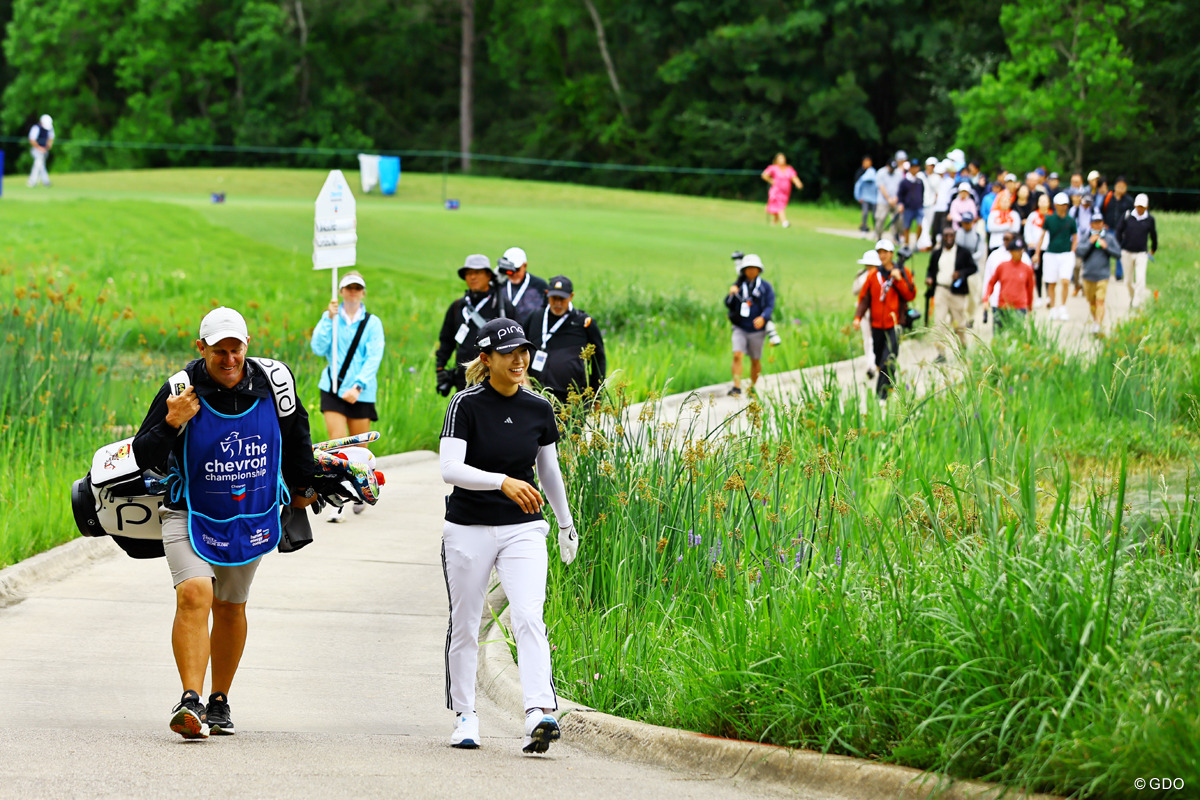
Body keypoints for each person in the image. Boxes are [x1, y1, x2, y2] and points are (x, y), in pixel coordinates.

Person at [131, 307, 320, 739]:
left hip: (248, 514)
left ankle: (219, 700)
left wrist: (304, 486)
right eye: (219, 351)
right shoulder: (180, 388)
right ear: (202, 349)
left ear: (246, 346)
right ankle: (190, 701)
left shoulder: (275, 383)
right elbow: (143, 454)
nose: (229, 359)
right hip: (188, 512)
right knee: (195, 593)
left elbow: (296, 438)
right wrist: (170, 421)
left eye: (235, 349)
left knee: (231, 606)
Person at [438, 317, 578, 754]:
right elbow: (450, 469)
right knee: (465, 625)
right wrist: (502, 481)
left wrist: (566, 523)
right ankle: (465, 715)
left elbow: (549, 470)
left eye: (524, 351)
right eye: (508, 353)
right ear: (486, 359)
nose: (519, 360)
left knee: (529, 616)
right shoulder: (465, 405)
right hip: (468, 528)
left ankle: (538, 711)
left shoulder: (539, 408)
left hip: (524, 529)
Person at [310, 271, 385, 521]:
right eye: (348, 287)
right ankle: (337, 501)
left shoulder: (372, 322)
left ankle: (361, 486)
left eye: (357, 288)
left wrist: (359, 385)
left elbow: (373, 356)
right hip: (332, 387)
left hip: (361, 392)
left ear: (362, 292)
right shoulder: (330, 317)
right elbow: (318, 347)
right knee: (338, 443)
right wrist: (327, 319)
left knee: (358, 449)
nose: (352, 291)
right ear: (341, 291)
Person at [436, 255, 518, 397]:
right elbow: (446, 341)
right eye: (468, 273)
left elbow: (516, 341)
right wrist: (440, 368)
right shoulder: (457, 306)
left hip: (493, 378)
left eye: (477, 272)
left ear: (488, 276)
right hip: (464, 379)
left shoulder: (502, 307)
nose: (472, 277)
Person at [524, 275, 606, 405]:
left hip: (573, 398)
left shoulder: (583, 322)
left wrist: (597, 396)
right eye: (554, 298)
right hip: (537, 394)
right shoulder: (536, 317)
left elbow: (599, 359)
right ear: (547, 295)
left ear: (571, 296)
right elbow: (521, 348)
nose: (557, 303)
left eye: (562, 299)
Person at [853, 240, 916, 401]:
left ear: (891, 254)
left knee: (889, 358)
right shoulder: (874, 275)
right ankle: (888, 383)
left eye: (885, 252)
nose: (882, 256)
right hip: (877, 324)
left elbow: (910, 295)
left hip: (894, 323)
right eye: (880, 252)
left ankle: (881, 396)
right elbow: (865, 298)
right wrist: (858, 317)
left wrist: (899, 280)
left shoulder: (902, 271)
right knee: (880, 357)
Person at [724, 253, 775, 396]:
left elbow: (770, 306)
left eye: (754, 268)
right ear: (744, 270)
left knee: (755, 360)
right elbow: (728, 304)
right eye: (748, 268)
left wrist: (763, 318)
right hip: (740, 327)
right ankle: (736, 387)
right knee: (737, 355)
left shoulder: (765, 287)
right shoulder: (739, 286)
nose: (751, 271)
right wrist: (731, 294)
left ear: (759, 270)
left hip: (757, 330)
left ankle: (752, 387)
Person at [924, 225, 977, 361]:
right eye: (946, 236)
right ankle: (941, 353)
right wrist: (930, 278)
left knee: (958, 323)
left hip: (956, 292)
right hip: (941, 290)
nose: (948, 238)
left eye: (951, 236)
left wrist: (960, 274)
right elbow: (931, 269)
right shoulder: (936, 253)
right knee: (939, 323)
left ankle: (963, 349)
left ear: (954, 237)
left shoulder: (963, 252)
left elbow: (972, 267)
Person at [1035, 193, 1078, 321]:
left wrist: (1072, 251)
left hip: (1065, 253)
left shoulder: (1070, 220)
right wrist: (1037, 253)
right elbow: (1042, 236)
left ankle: (1063, 306)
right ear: (1055, 206)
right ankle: (1053, 308)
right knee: (1051, 282)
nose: (1062, 207)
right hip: (1051, 253)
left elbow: (1075, 238)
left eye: (1064, 205)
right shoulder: (1049, 219)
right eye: (1060, 205)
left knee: (1065, 281)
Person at [1078, 213, 1121, 334]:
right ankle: (1096, 321)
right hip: (1088, 274)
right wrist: (1090, 243)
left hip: (1103, 275)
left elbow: (1118, 254)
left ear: (1103, 224)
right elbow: (1079, 252)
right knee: (1092, 302)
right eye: (1095, 223)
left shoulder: (1109, 237)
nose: (1097, 225)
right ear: (1091, 224)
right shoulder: (1086, 237)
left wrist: (1106, 247)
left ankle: (1098, 324)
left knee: (1100, 301)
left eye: (1099, 222)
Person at [984, 238, 1036, 335]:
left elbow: (1030, 289)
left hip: (1019, 307)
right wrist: (986, 299)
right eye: (1017, 251)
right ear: (1011, 252)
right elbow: (991, 283)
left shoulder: (1027, 269)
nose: (1020, 253)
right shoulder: (1002, 267)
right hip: (1002, 306)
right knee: (999, 335)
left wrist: (1030, 307)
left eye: (1021, 250)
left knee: (1017, 335)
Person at [1115, 193, 1158, 309]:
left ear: (1146, 207)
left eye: (1142, 207)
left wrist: (1154, 248)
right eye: (1138, 206)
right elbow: (1118, 231)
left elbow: (1153, 235)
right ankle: (1133, 297)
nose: (1140, 209)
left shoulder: (1149, 219)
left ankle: (1136, 303)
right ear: (1135, 205)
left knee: (1140, 280)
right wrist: (1119, 245)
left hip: (1141, 253)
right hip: (1127, 252)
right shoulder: (1127, 216)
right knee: (1128, 281)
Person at [497, 247, 549, 324]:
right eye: (510, 270)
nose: (513, 274)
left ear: (525, 265)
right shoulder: (499, 285)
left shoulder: (539, 285)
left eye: (517, 269)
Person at [852, 250, 882, 378]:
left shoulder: (880, 276)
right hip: (864, 312)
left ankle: (873, 364)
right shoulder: (862, 275)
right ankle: (870, 364)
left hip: (876, 312)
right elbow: (855, 291)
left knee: (874, 339)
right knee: (867, 340)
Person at [761, 153, 803, 228]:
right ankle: (784, 222)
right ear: (776, 160)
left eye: (783, 158)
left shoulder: (789, 169)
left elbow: (794, 177)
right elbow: (764, 175)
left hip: (786, 192)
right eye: (780, 158)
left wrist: (798, 183)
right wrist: (771, 180)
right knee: (780, 206)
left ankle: (774, 223)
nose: (782, 160)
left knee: (781, 206)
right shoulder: (773, 168)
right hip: (776, 190)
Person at [1024, 193, 1050, 304]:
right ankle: (1038, 296)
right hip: (1035, 248)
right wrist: (1029, 242)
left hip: (1048, 248)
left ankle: (1049, 296)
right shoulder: (1033, 216)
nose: (1043, 203)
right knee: (1037, 273)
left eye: (1045, 201)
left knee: (1048, 272)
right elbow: (1028, 229)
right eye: (1041, 201)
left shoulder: (1051, 216)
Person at [897, 162, 925, 247]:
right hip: (908, 207)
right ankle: (906, 244)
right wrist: (901, 204)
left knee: (920, 225)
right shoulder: (905, 182)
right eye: (914, 167)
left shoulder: (920, 181)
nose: (916, 169)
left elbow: (922, 192)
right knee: (907, 227)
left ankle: (916, 243)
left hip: (918, 207)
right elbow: (900, 194)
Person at [874, 159, 903, 240]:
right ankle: (879, 237)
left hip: (895, 200)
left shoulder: (899, 173)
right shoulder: (881, 173)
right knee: (880, 218)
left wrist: (896, 198)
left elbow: (900, 187)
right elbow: (881, 187)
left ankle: (896, 236)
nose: (893, 170)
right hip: (883, 200)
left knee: (899, 219)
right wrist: (888, 199)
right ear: (887, 166)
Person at [27, 114, 54, 188]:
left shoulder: (50, 128)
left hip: (45, 150)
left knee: (40, 165)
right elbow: (32, 140)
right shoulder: (36, 128)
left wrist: (48, 146)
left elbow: (51, 138)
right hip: (36, 150)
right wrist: (40, 148)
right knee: (38, 164)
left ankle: (35, 181)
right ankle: (35, 181)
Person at [852, 156, 877, 234]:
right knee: (865, 212)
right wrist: (858, 196)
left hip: (873, 198)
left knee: (875, 214)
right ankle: (863, 227)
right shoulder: (860, 172)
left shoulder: (873, 171)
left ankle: (876, 229)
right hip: (864, 197)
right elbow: (857, 185)